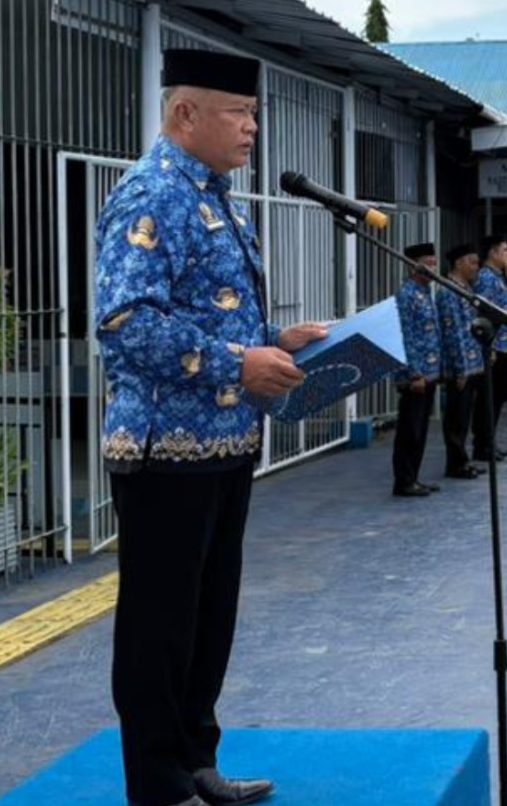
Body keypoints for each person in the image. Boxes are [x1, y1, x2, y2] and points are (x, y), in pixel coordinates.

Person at [94, 49, 329, 806]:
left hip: (224, 442)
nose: (253, 127)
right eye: (239, 112)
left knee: (206, 617)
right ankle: (157, 783)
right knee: (159, 624)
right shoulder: (153, 194)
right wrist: (237, 362)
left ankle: (197, 760)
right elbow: (126, 322)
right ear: (184, 113)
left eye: (254, 113)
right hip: (165, 448)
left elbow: (211, 310)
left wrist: (277, 343)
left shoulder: (217, 197)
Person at [391, 244, 443, 496]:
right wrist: (415, 373)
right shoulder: (408, 295)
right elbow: (406, 337)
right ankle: (404, 480)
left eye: (435, 262)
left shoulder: (425, 293)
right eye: (428, 263)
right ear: (414, 266)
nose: (433, 268)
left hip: (430, 372)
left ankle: (414, 477)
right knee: (410, 430)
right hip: (416, 375)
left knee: (420, 430)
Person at [436, 244, 487, 479]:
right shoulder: (449, 291)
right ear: (458, 263)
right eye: (472, 262)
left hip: (473, 362)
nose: (476, 267)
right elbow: (454, 332)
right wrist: (461, 369)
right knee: (456, 418)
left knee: (465, 416)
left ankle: (462, 459)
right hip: (461, 367)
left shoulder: (466, 288)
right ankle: (455, 463)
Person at [471, 236, 507, 464]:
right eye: (506, 250)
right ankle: (483, 444)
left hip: (505, 344)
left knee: (497, 398)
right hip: (495, 346)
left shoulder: (498, 277)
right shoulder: (487, 279)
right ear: (493, 253)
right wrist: (489, 346)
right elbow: (484, 315)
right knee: (489, 398)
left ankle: (489, 441)